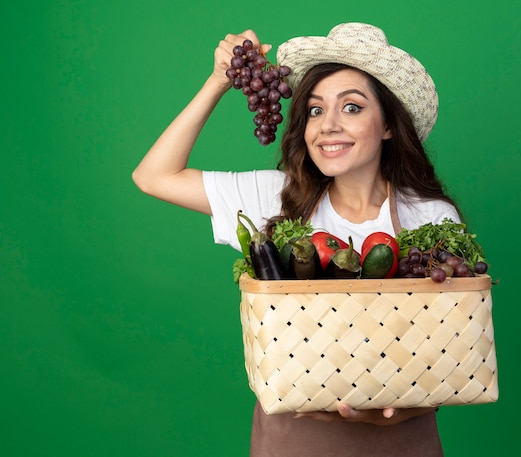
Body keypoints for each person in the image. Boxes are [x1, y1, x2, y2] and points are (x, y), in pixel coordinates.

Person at [133, 22, 461, 457]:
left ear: (386, 125)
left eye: (351, 108)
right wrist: (218, 81)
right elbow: (154, 176)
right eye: (314, 110)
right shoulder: (274, 198)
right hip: (292, 441)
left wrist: (402, 409)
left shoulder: (431, 217)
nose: (328, 126)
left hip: (400, 440)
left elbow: (448, 352)